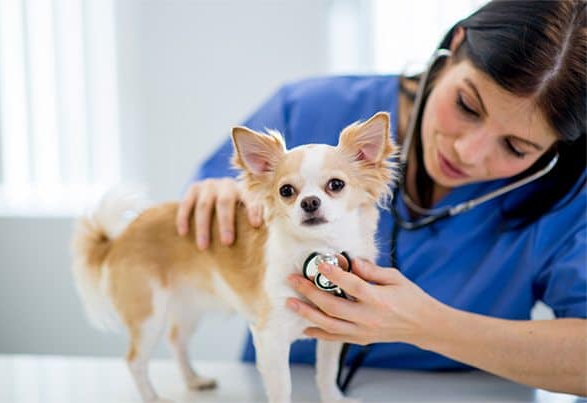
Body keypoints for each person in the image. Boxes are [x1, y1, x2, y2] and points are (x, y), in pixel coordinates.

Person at [176, 0, 587, 396]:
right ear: (456, 46)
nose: (468, 151)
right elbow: (207, 214)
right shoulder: (305, 110)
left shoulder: (569, 201)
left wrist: (430, 326)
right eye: (466, 105)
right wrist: (212, 202)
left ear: (557, 149)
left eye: (516, 147)